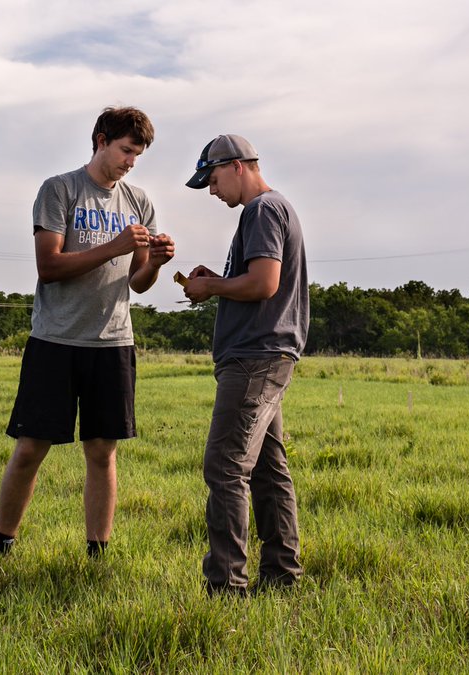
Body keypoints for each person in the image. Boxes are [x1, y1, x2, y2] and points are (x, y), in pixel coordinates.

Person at [0, 106, 175, 558]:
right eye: (126, 150)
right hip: (55, 341)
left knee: (102, 451)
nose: (130, 161)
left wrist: (154, 262)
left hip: (113, 342)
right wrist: (114, 246)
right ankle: (3, 543)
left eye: (138, 155)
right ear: (100, 140)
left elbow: (137, 283)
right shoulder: (60, 190)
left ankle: (98, 552)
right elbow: (48, 266)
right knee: (32, 446)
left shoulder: (139, 202)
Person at [181, 134, 309, 595]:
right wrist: (216, 280)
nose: (212, 191)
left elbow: (264, 283)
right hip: (265, 353)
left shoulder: (262, 210)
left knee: (225, 466)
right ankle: (281, 577)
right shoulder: (272, 210)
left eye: (212, 180)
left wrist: (214, 289)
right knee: (268, 469)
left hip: (256, 356)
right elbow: (253, 280)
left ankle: (226, 589)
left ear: (236, 166)